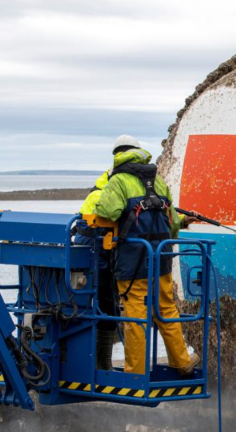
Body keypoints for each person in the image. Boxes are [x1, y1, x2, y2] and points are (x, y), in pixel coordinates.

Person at [94, 135, 199, 376]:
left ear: (117, 155)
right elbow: (171, 224)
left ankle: (136, 373)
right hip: (161, 259)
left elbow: (109, 212)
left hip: (132, 262)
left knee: (136, 317)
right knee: (166, 309)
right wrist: (183, 222)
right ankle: (181, 362)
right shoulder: (158, 182)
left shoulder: (118, 181)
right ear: (140, 153)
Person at [74, 168, 119, 370]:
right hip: (97, 254)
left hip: (87, 253)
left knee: (91, 305)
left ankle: (95, 361)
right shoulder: (106, 196)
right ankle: (102, 363)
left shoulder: (96, 193)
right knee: (106, 305)